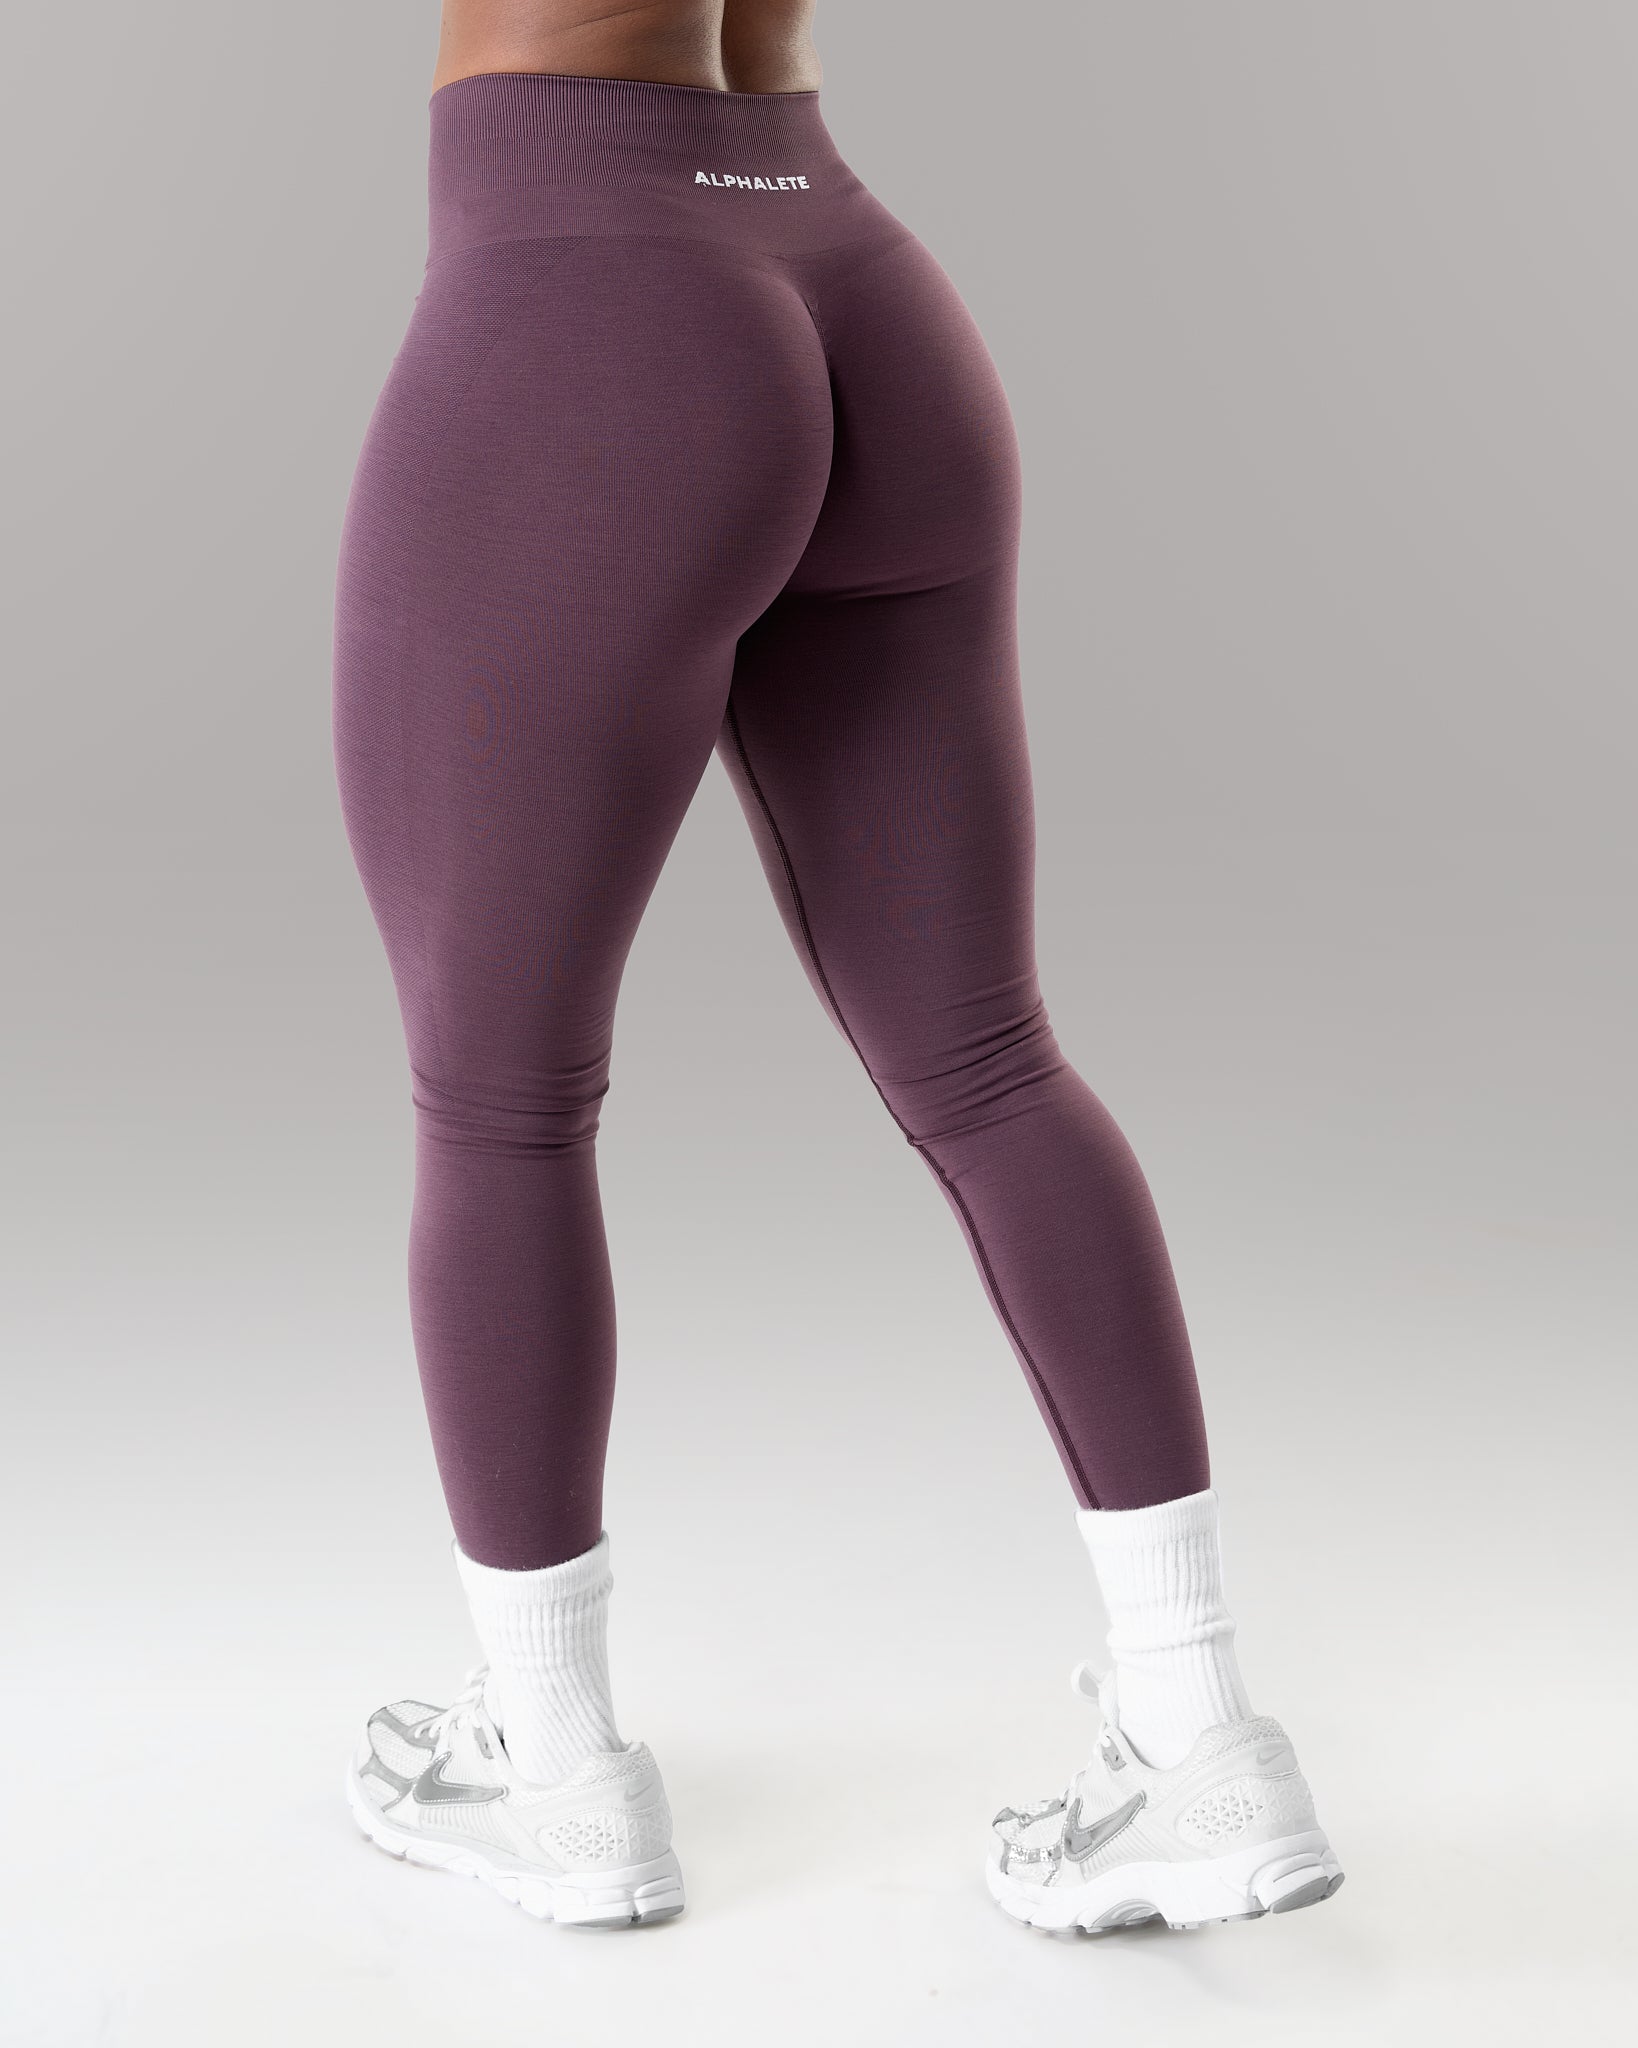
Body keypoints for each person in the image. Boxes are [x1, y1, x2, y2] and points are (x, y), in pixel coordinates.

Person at [332, 0, 1342, 1933]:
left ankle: (553, 1768)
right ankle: (1201, 1739)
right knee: (991, 1060)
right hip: (856, 282)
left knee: (500, 1097)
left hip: (590, 309)